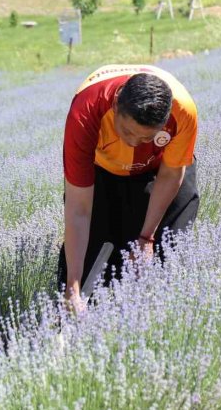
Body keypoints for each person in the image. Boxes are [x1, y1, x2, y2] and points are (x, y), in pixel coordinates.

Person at [59, 64, 199, 309]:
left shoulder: (183, 111)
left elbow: (169, 175)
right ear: (115, 108)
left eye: (146, 137)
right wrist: (73, 285)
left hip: (157, 169)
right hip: (104, 168)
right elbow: (79, 208)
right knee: (92, 260)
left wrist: (146, 238)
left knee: (165, 249)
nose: (134, 143)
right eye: (126, 131)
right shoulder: (86, 111)